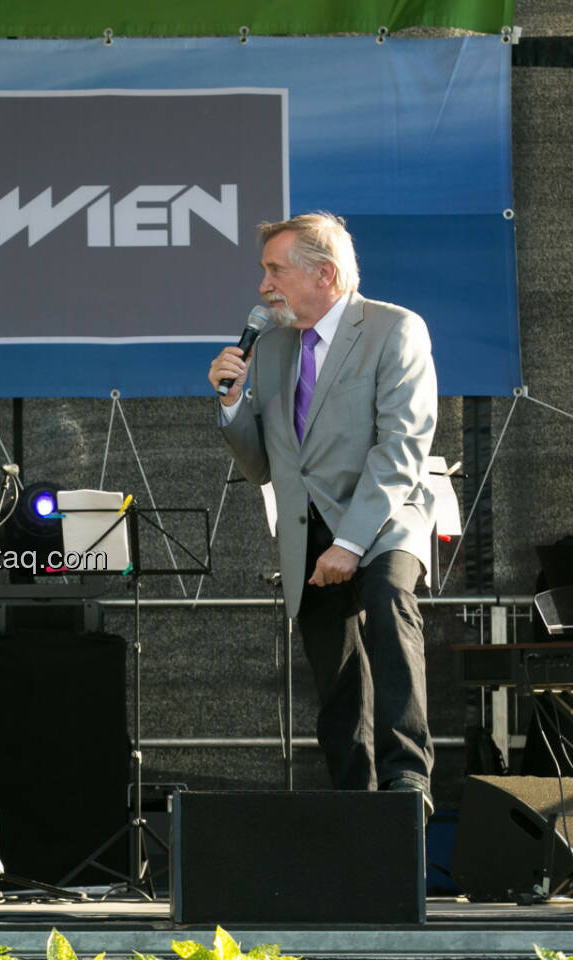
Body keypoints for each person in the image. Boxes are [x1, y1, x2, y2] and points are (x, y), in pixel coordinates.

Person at [208, 212, 437, 817]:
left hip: (385, 517)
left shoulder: (394, 329)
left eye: (275, 270)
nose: (263, 286)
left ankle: (407, 782)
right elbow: (265, 467)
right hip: (307, 527)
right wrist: (233, 407)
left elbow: (402, 448)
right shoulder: (276, 346)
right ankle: (355, 805)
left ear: (326, 273)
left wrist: (353, 542)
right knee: (334, 674)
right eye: (265, 271)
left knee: (389, 607)